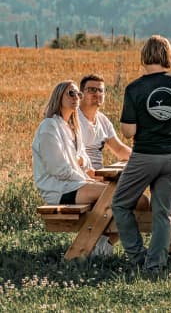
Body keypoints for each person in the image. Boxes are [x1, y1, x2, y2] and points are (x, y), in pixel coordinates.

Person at [111, 35, 171, 274]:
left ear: (144, 56)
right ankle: (155, 265)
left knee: (120, 204)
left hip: (145, 156)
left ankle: (138, 257)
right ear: (168, 55)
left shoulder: (135, 88)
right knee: (163, 212)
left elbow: (128, 132)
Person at [32, 80, 114, 257]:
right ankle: (95, 247)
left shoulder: (73, 128)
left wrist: (91, 173)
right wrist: (86, 179)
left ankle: (102, 244)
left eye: (79, 94)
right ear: (58, 96)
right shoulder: (49, 127)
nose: (76, 97)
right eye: (71, 93)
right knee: (117, 194)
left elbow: (84, 160)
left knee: (131, 195)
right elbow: (58, 169)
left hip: (75, 183)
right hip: (59, 189)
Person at [78, 74, 131, 170]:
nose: (97, 94)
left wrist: (143, 159)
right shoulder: (73, 118)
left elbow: (119, 149)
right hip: (79, 176)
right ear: (80, 94)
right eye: (92, 90)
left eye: (100, 90)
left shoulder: (103, 121)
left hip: (100, 174)